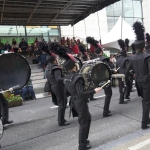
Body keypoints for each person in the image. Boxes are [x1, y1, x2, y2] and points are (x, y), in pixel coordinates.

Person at [126, 21, 150, 130]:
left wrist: (135, 74)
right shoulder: (146, 56)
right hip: (146, 81)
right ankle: (144, 123)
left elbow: (127, 72)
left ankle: (147, 119)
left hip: (138, 82)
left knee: (145, 101)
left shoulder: (132, 58)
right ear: (143, 46)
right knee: (146, 102)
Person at [44, 42, 69, 126]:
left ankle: (60, 118)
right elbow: (58, 79)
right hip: (58, 86)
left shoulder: (48, 68)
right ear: (54, 60)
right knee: (62, 104)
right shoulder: (55, 67)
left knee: (62, 102)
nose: (57, 59)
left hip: (52, 86)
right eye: (56, 58)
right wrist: (66, 78)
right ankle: (61, 121)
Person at [116, 39, 130, 104]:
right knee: (125, 86)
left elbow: (116, 68)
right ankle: (122, 99)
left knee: (121, 87)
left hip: (119, 74)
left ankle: (121, 99)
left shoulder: (117, 60)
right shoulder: (126, 59)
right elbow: (127, 68)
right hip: (124, 74)